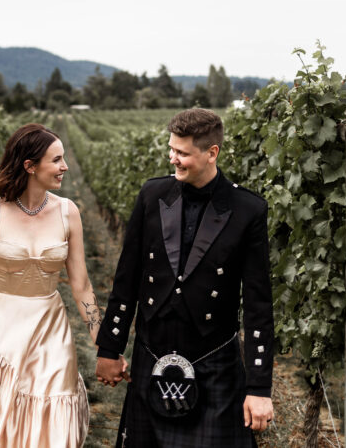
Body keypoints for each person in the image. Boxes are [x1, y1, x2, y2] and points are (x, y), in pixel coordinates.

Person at [95, 108, 274, 446]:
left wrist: (259, 388)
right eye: (171, 149)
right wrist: (109, 347)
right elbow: (127, 278)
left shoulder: (247, 209)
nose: (172, 159)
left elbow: (258, 306)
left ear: (212, 153)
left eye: (182, 153)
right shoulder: (152, 195)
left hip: (214, 362)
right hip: (152, 353)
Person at [0, 123, 107, 447]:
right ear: (30, 165)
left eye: (64, 158)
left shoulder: (69, 212)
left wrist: (104, 342)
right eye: (56, 160)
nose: (64, 166)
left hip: (50, 329)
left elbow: (81, 285)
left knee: (51, 414)